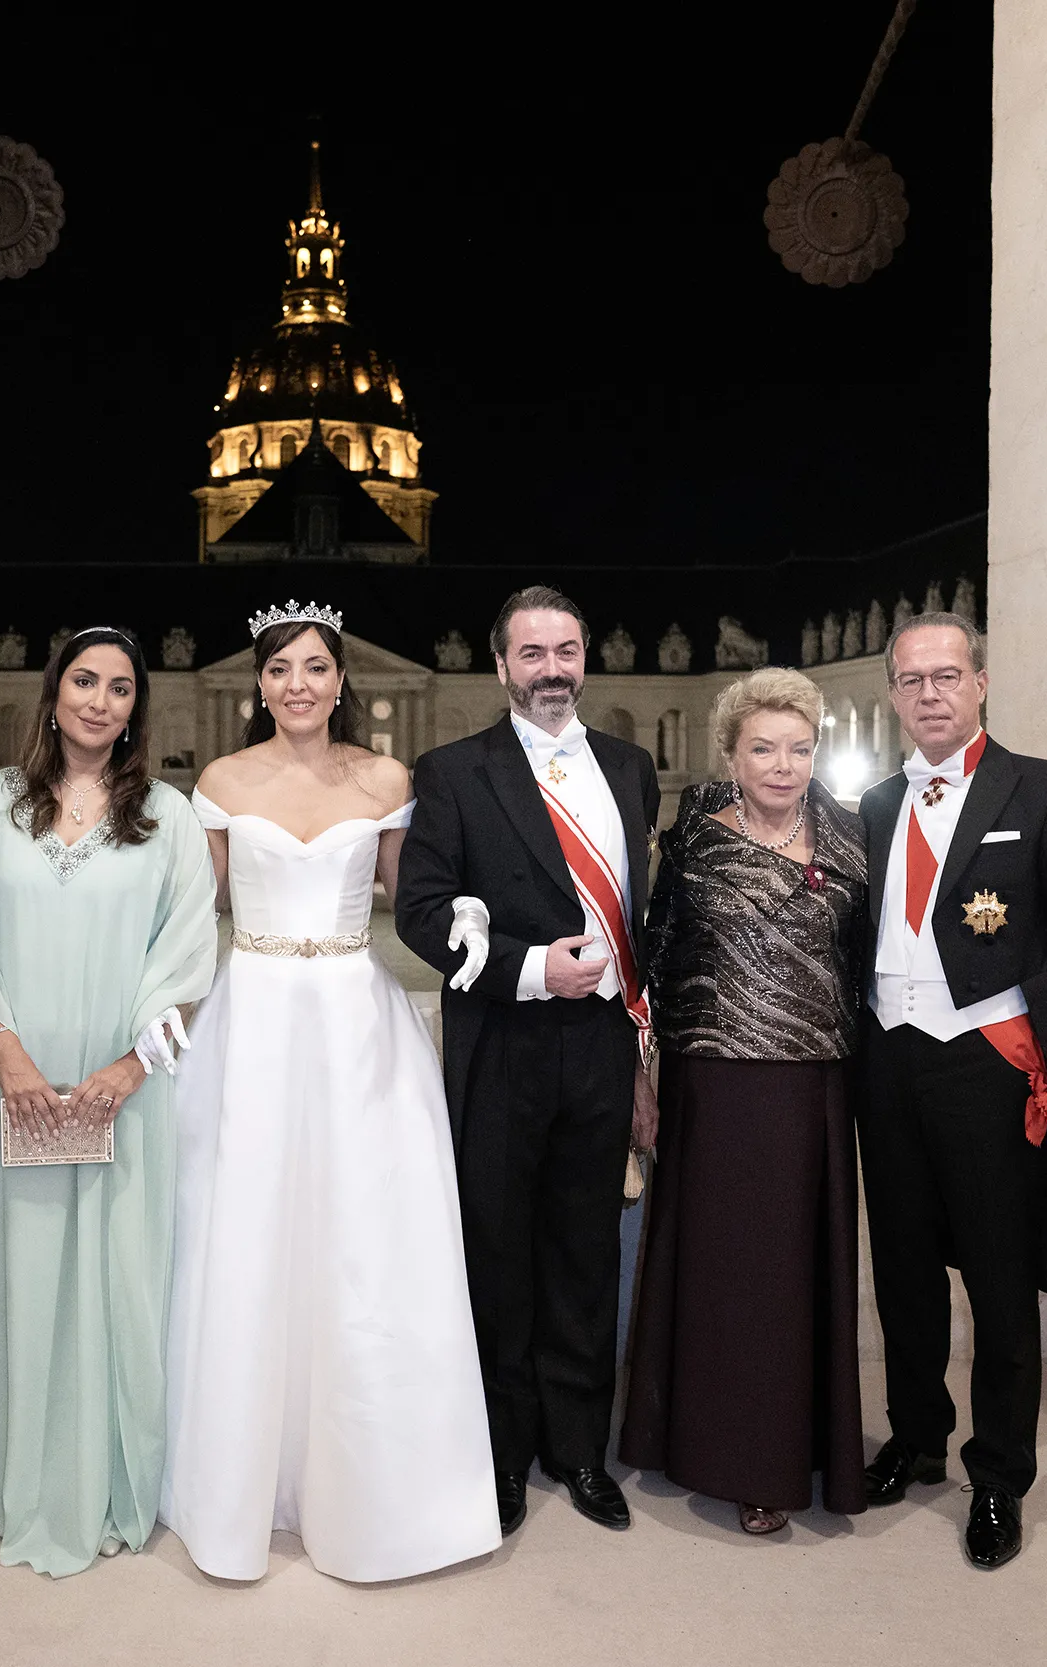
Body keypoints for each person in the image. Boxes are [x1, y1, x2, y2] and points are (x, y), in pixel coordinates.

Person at [162, 603, 499, 1583]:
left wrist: (470, 913)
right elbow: (194, 909)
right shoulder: (222, 781)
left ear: (340, 679)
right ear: (259, 684)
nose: (297, 684)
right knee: (250, 1226)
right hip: (254, 1014)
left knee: (360, 1232)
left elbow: (410, 893)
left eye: (314, 667)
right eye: (280, 669)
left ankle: (372, 1477)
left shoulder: (385, 779)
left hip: (355, 1012)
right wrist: (152, 994)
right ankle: (243, 1471)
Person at [0, 627, 217, 1578]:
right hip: (9, 1079)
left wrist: (128, 1069)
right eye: (85, 680)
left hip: (121, 1087)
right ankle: (9, 1479)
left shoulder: (170, 816)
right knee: (12, 1269)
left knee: (117, 1275)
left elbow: (188, 957)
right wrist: (9, 1057)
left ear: (138, 706)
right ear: (53, 692)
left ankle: (108, 1477)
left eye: (120, 687)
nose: (101, 700)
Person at [853, 612, 1047, 1570]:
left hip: (987, 1065)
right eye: (912, 678)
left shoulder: (1046, 789)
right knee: (903, 1267)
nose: (929, 693)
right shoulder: (872, 804)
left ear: (980, 683)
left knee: (1000, 1279)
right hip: (886, 1060)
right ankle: (918, 1436)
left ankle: (999, 1473)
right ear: (893, 693)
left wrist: (1034, 1049)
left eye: (947, 675)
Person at [395, 585, 660, 1537]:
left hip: (601, 1047)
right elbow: (421, 911)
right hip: (502, 1044)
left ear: (586, 657)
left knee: (586, 1248)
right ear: (501, 662)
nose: (553, 669)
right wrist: (531, 968)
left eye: (567, 650)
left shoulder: (630, 767)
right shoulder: (452, 772)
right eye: (533, 653)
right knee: (500, 1251)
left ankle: (579, 1447)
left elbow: (639, 912)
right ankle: (503, 1452)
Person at [619, 668, 869, 1536]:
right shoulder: (693, 835)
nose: (783, 764)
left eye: (800, 747)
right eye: (764, 748)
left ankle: (781, 1459)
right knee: (720, 1275)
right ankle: (705, 1446)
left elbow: (867, 960)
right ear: (730, 755)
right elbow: (655, 956)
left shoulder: (851, 835)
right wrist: (644, 1071)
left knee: (789, 1281)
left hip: (811, 1087)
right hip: (713, 1085)